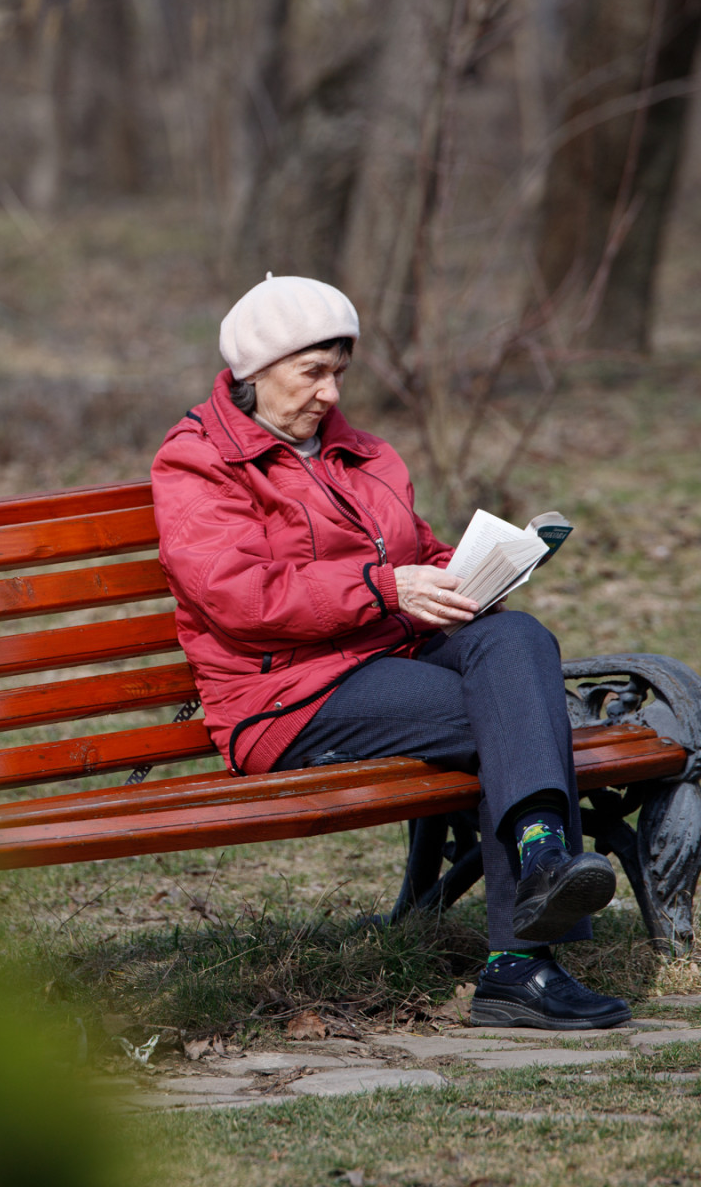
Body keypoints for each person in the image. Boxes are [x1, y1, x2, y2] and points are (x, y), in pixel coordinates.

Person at [150, 274, 628, 1030]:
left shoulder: (363, 455)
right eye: (311, 372)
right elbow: (237, 596)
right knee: (513, 719)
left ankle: (542, 857)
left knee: (517, 637)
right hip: (285, 697)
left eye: (340, 371)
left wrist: (480, 570)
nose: (331, 393)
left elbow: (414, 554)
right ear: (252, 374)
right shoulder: (199, 462)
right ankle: (520, 966)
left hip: (387, 660)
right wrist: (383, 587)